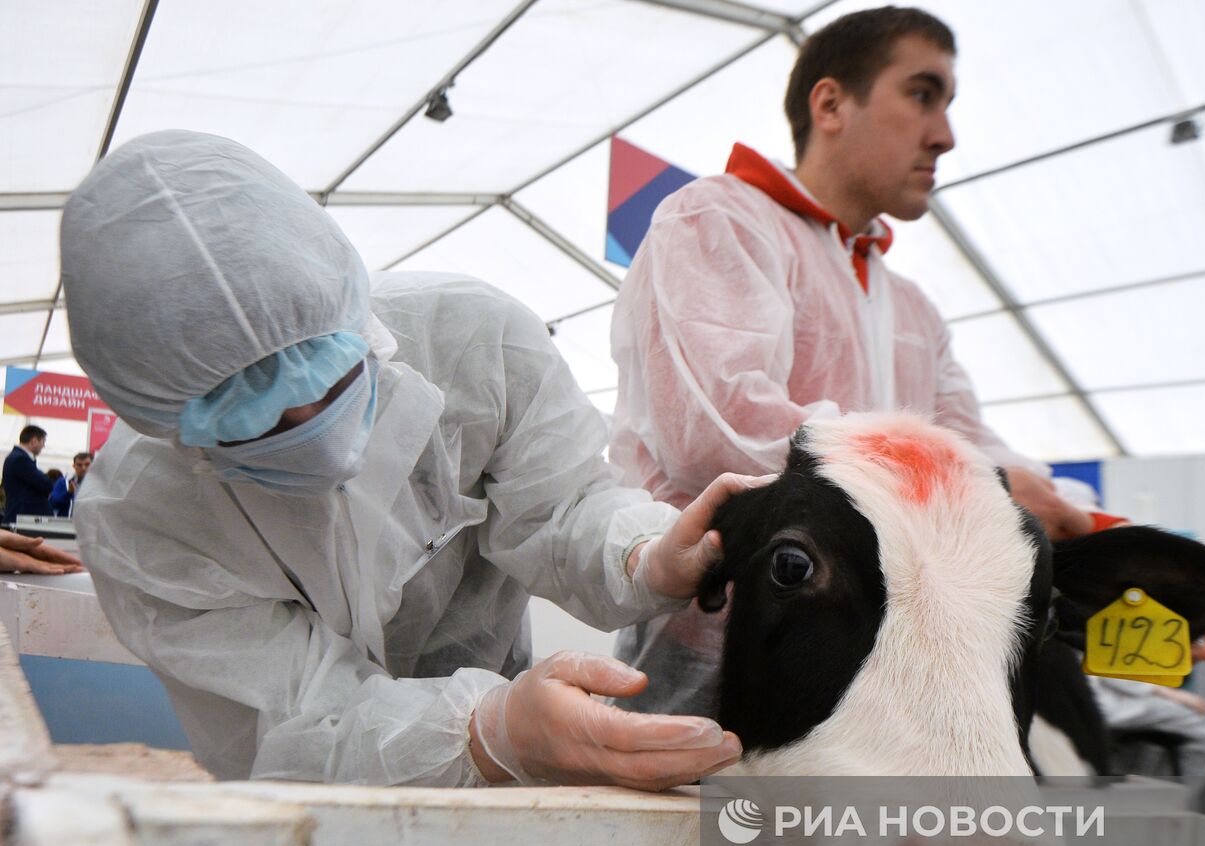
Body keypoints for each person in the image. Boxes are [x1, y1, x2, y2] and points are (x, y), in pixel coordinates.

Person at [608, 6, 1205, 717]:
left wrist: (1150, 564)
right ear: (829, 103)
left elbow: (979, 448)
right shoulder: (719, 220)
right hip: (720, 659)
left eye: (948, 103)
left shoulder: (913, 310)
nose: (945, 135)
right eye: (923, 94)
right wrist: (982, 483)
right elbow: (723, 435)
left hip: (884, 675)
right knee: (699, 827)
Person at [60, 130, 757, 790]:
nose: (316, 431)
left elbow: (563, 507)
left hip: (512, 701)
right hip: (313, 802)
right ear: (165, 423)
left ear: (355, 314)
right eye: (257, 426)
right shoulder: (142, 518)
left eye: (334, 382)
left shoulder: (473, 341)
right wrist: (489, 733)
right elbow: (303, 720)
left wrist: (642, 553)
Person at [3, 425, 54, 521]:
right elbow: (46, 484)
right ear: (34, 441)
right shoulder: (20, 459)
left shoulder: (17, 458)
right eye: (43, 441)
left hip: (23, 518)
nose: (44, 446)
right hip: (24, 519)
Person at [50, 451, 92, 517]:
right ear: (74, 466)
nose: (83, 468)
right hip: (66, 523)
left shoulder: (97, 484)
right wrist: (68, 493)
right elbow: (53, 504)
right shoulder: (63, 482)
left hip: (88, 524)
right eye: (79, 465)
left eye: (87, 464)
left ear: (93, 465)